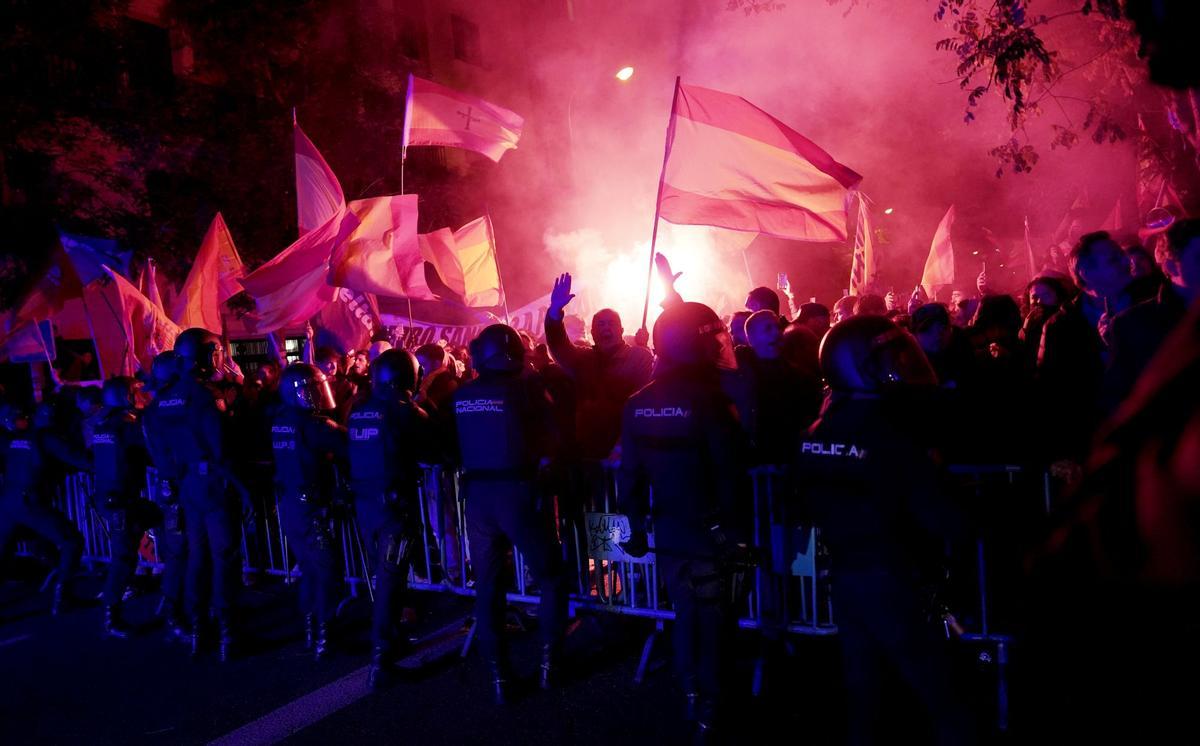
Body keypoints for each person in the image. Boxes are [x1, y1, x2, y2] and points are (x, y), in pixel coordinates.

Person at [793, 315, 974, 745]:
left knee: (865, 693)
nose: (900, 366)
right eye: (889, 358)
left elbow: (799, 502)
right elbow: (943, 518)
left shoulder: (813, 432)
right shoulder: (890, 432)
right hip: (897, 578)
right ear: (860, 366)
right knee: (942, 695)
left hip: (846, 577)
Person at [618, 302, 749, 740]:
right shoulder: (713, 401)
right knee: (713, 622)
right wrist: (734, 534)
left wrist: (635, 529)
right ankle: (711, 712)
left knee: (684, 615)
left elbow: (630, 477)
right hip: (711, 532)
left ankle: (690, 696)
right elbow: (729, 476)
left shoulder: (637, 403)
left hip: (669, 531)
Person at [451, 324, 566, 704]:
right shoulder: (526, 388)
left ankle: (500, 679)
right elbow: (554, 437)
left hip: (478, 498)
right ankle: (551, 667)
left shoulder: (462, 394)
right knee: (550, 578)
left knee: (488, 588)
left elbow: (447, 445)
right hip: (518, 492)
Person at [143, 328, 241, 660]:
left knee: (197, 558)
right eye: (213, 352)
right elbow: (220, 449)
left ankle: (199, 629)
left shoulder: (162, 401)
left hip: (186, 486)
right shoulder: (204, 395)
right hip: (213, 484)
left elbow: (158, 449)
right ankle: (227, 632)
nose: (217, 358)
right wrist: (242, 489)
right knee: (223, 557)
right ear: (201, 355)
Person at [347, 349, 439, 688]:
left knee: (385, 579)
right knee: (390, 582)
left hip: (367, 508)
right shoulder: (404, 412)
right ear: (408, 377)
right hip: (392, 510)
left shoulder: (360, 411)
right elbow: (437, 447)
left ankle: (393, 641)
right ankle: (382, 661)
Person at [271, 363, 348, 661]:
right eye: (311, 389)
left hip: (290, 505)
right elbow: (348, 443)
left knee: (309, 570)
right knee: (327, 572)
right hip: (312, 508)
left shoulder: (280, 420)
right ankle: (325, 639)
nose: (316, 394)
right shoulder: (314, 425)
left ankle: (310, 631)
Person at [0, 400, 88, 615]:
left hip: (8, 502)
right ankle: (62, 597)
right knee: (71, 541)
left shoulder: (9, 440)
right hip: (29, 502)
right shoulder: (44, 437)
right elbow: (79, 459)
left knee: (2, 553)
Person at [91, 377, 154, 637]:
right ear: (124, 396)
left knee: (155, 523)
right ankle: (112, 618)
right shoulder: (127, 425)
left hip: (113, 498)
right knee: (123, 560)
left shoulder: (103, 425)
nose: (136, 397)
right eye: (133, 393)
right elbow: (151, 452)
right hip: (122, 501)